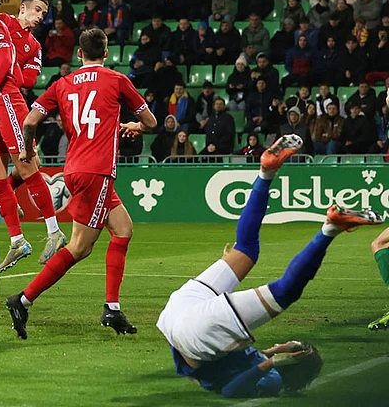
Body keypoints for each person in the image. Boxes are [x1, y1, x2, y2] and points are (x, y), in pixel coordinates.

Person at [157, 133, 383, 398]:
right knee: (261, 265)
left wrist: (271, 362)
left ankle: (276, 181)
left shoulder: (272, 377)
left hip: (189, 319)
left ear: (293, 361)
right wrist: (271, 356)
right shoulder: (257, 363)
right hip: (182, 322)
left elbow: (231, 390)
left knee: (262, 266)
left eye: (290, 346)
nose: (281, 344)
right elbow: (235, 370)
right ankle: (283, 185)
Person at [5, 28, 157, 339]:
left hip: (74, 167)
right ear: (107, 53)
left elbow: (30, 121)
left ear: (79, 55)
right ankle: (22, 300)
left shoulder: (62, 83)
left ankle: (112, 307)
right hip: (97, 171)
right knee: (79, 247)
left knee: (123, 229)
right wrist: (133, 125)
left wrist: (29, 149)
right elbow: (152, 123)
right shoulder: (116, 80)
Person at [0, 0, 68, 272]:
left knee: (26, 165)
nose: (40, 18)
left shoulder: (32, 44)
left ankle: (54, 231)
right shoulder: (2, 23)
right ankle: (17, 240)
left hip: (5, 99)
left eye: (44, 14)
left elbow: (25, 78)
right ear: (22, 8)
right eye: (37, 11)